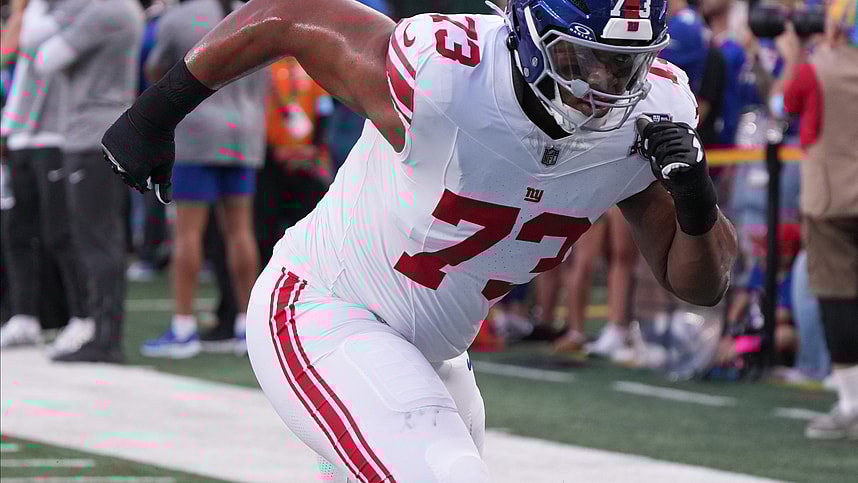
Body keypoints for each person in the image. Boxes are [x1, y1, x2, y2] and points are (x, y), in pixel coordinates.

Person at [101, 0, 738, 479]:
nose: (603, 87)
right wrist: (156, 112)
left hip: (433, 352)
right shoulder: (446, 74)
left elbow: (700, 285)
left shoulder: (652, 115)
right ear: (526, 34)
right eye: (582, 58)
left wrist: (696, 201)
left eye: (624, 64)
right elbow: (292, 15)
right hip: (324, 309)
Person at [138, 0, 268, 359]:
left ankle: (183, 327)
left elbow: (157, 74)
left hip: (198, 134)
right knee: (240, 231)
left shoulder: (178, 18)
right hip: (244, 133)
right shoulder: (253, 13)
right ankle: (247, 326)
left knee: (187, 232)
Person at [29, 0, 144, 363]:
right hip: (105, 131)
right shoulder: (122, 8)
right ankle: (104, 333)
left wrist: (40, 9)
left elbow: (44, 59)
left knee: (96, 238)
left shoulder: (104, 9)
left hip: (91, 134)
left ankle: (105, 338)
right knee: (102, 236)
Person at [780, 0, 858, 440]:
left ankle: (851, 403)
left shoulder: (816, 69)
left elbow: (786, 101)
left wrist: (793, 55)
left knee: (836, 297)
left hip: (831, 198)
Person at [0, 0, 94, 356]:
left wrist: (22, 10)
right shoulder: (32, 10)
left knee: (60, 232)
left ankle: (82, 317)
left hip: (56, 134)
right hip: (20, 132)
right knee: (17, 231)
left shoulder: (68, 8)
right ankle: (24, 316)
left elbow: (17, 46)